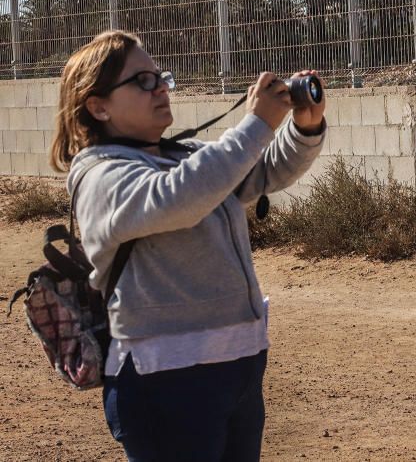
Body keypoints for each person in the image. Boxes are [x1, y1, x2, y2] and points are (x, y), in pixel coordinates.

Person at [49, 30, 327, 461]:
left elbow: (262, 171)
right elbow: (180, 198)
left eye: (160, 76)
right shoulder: (101, 176)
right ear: (98, 105)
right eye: (142, 81)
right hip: (166, 380)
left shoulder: (183, 155)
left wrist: (304, 127)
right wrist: (256, 124)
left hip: (238, 365)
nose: (160, 87)